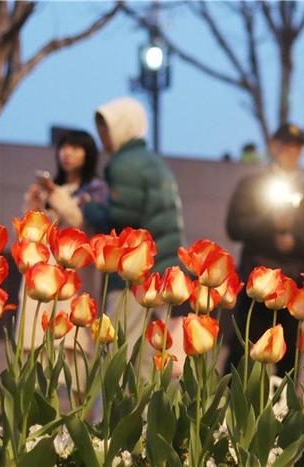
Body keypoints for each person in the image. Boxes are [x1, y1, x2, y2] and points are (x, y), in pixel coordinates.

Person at [83, 97, 186, 376]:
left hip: (134, 276)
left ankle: (113, 419)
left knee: (120, 356)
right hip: (161, 272)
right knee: (150, 361)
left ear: (122, 127)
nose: (101, 135)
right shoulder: (152, 162)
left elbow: (122, 219)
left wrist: (90, 206)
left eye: (106, 127)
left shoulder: (124, 165)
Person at [225, 123, 304, 376]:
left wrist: (295, 242)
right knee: (244, 352)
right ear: (274, 147)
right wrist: (269, 225)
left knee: (290, 359)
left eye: (297, 148)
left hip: (292, 285)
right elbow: (235, 226)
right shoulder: (252, 185)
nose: (291, 153)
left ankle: (285, 410)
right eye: (286, 147)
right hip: (258, 283)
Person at [20, 130, 108, 395]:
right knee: (34, 354)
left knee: (75, 356)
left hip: (73, 280)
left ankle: (77, 426)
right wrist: (33, 205)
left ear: (89, 154)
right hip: (41, 275)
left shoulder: (95, 190)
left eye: (75, 148)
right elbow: (30, 234)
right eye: (63, 147)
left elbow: (79, 222)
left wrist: (56, 195)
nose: (66, 154)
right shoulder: (49, 192)